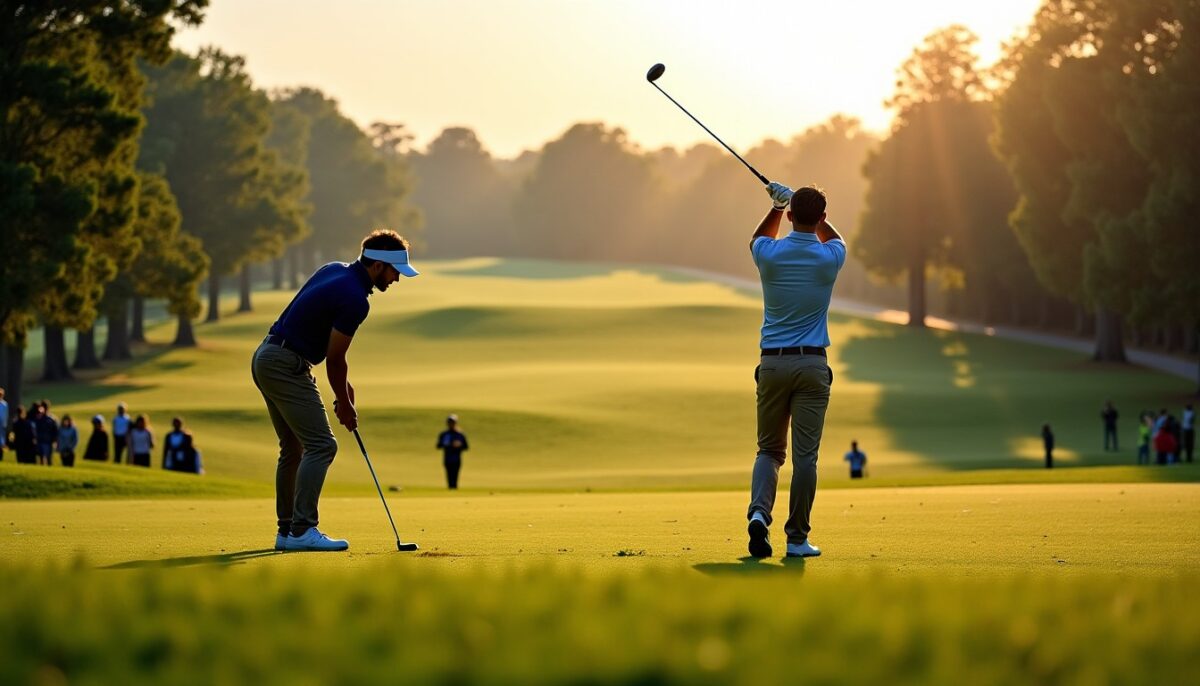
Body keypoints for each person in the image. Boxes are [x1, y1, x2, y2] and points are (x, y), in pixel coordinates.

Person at [252, 229, 419, 552]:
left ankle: (287, 532)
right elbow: (335, 358)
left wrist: (345, 390)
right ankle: (302, 530)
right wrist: (343, 403)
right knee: (322, 445)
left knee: (294, 447)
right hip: (285, 363)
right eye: (395, 271)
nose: (397, 279)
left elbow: (327, 350)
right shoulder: (355, 299)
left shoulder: (334, 270)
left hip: (267, 356)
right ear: (378, 265)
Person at [745, 183, 846, 560]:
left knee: (769, 450)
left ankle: (759, 513)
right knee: (806, 459)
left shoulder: (770, 254)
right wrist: (812, 215)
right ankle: (796, 539)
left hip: (772, 363)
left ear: (789, 216)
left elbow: (756, 238)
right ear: (820, 217)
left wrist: (776, 204)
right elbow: (835, 237)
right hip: (813, 364)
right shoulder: (830, 256)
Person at [436, 414, 470, 489]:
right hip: (447, 458)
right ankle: (450, 489)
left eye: (452, 422)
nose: (451, 424)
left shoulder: (460, 434)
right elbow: (438, 446)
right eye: (449, 422)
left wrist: (459, 445)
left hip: (456, 459)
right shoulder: (444, 434)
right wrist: (447, 444)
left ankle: (454, 489)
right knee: (449, 476)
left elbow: (466, 447)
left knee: (455, 476)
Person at [34, 400, 58, 466]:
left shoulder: (51, 419)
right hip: (40, 440)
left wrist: (54, 440)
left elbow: (55, 431)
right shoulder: (38, 418)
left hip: (48, 442)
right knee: (41, 458)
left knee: (48, 458)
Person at [0, 386, 8, 460]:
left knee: (1, 441)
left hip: (1, 425)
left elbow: (5, 415)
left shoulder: (4, 404)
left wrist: (5, 424)